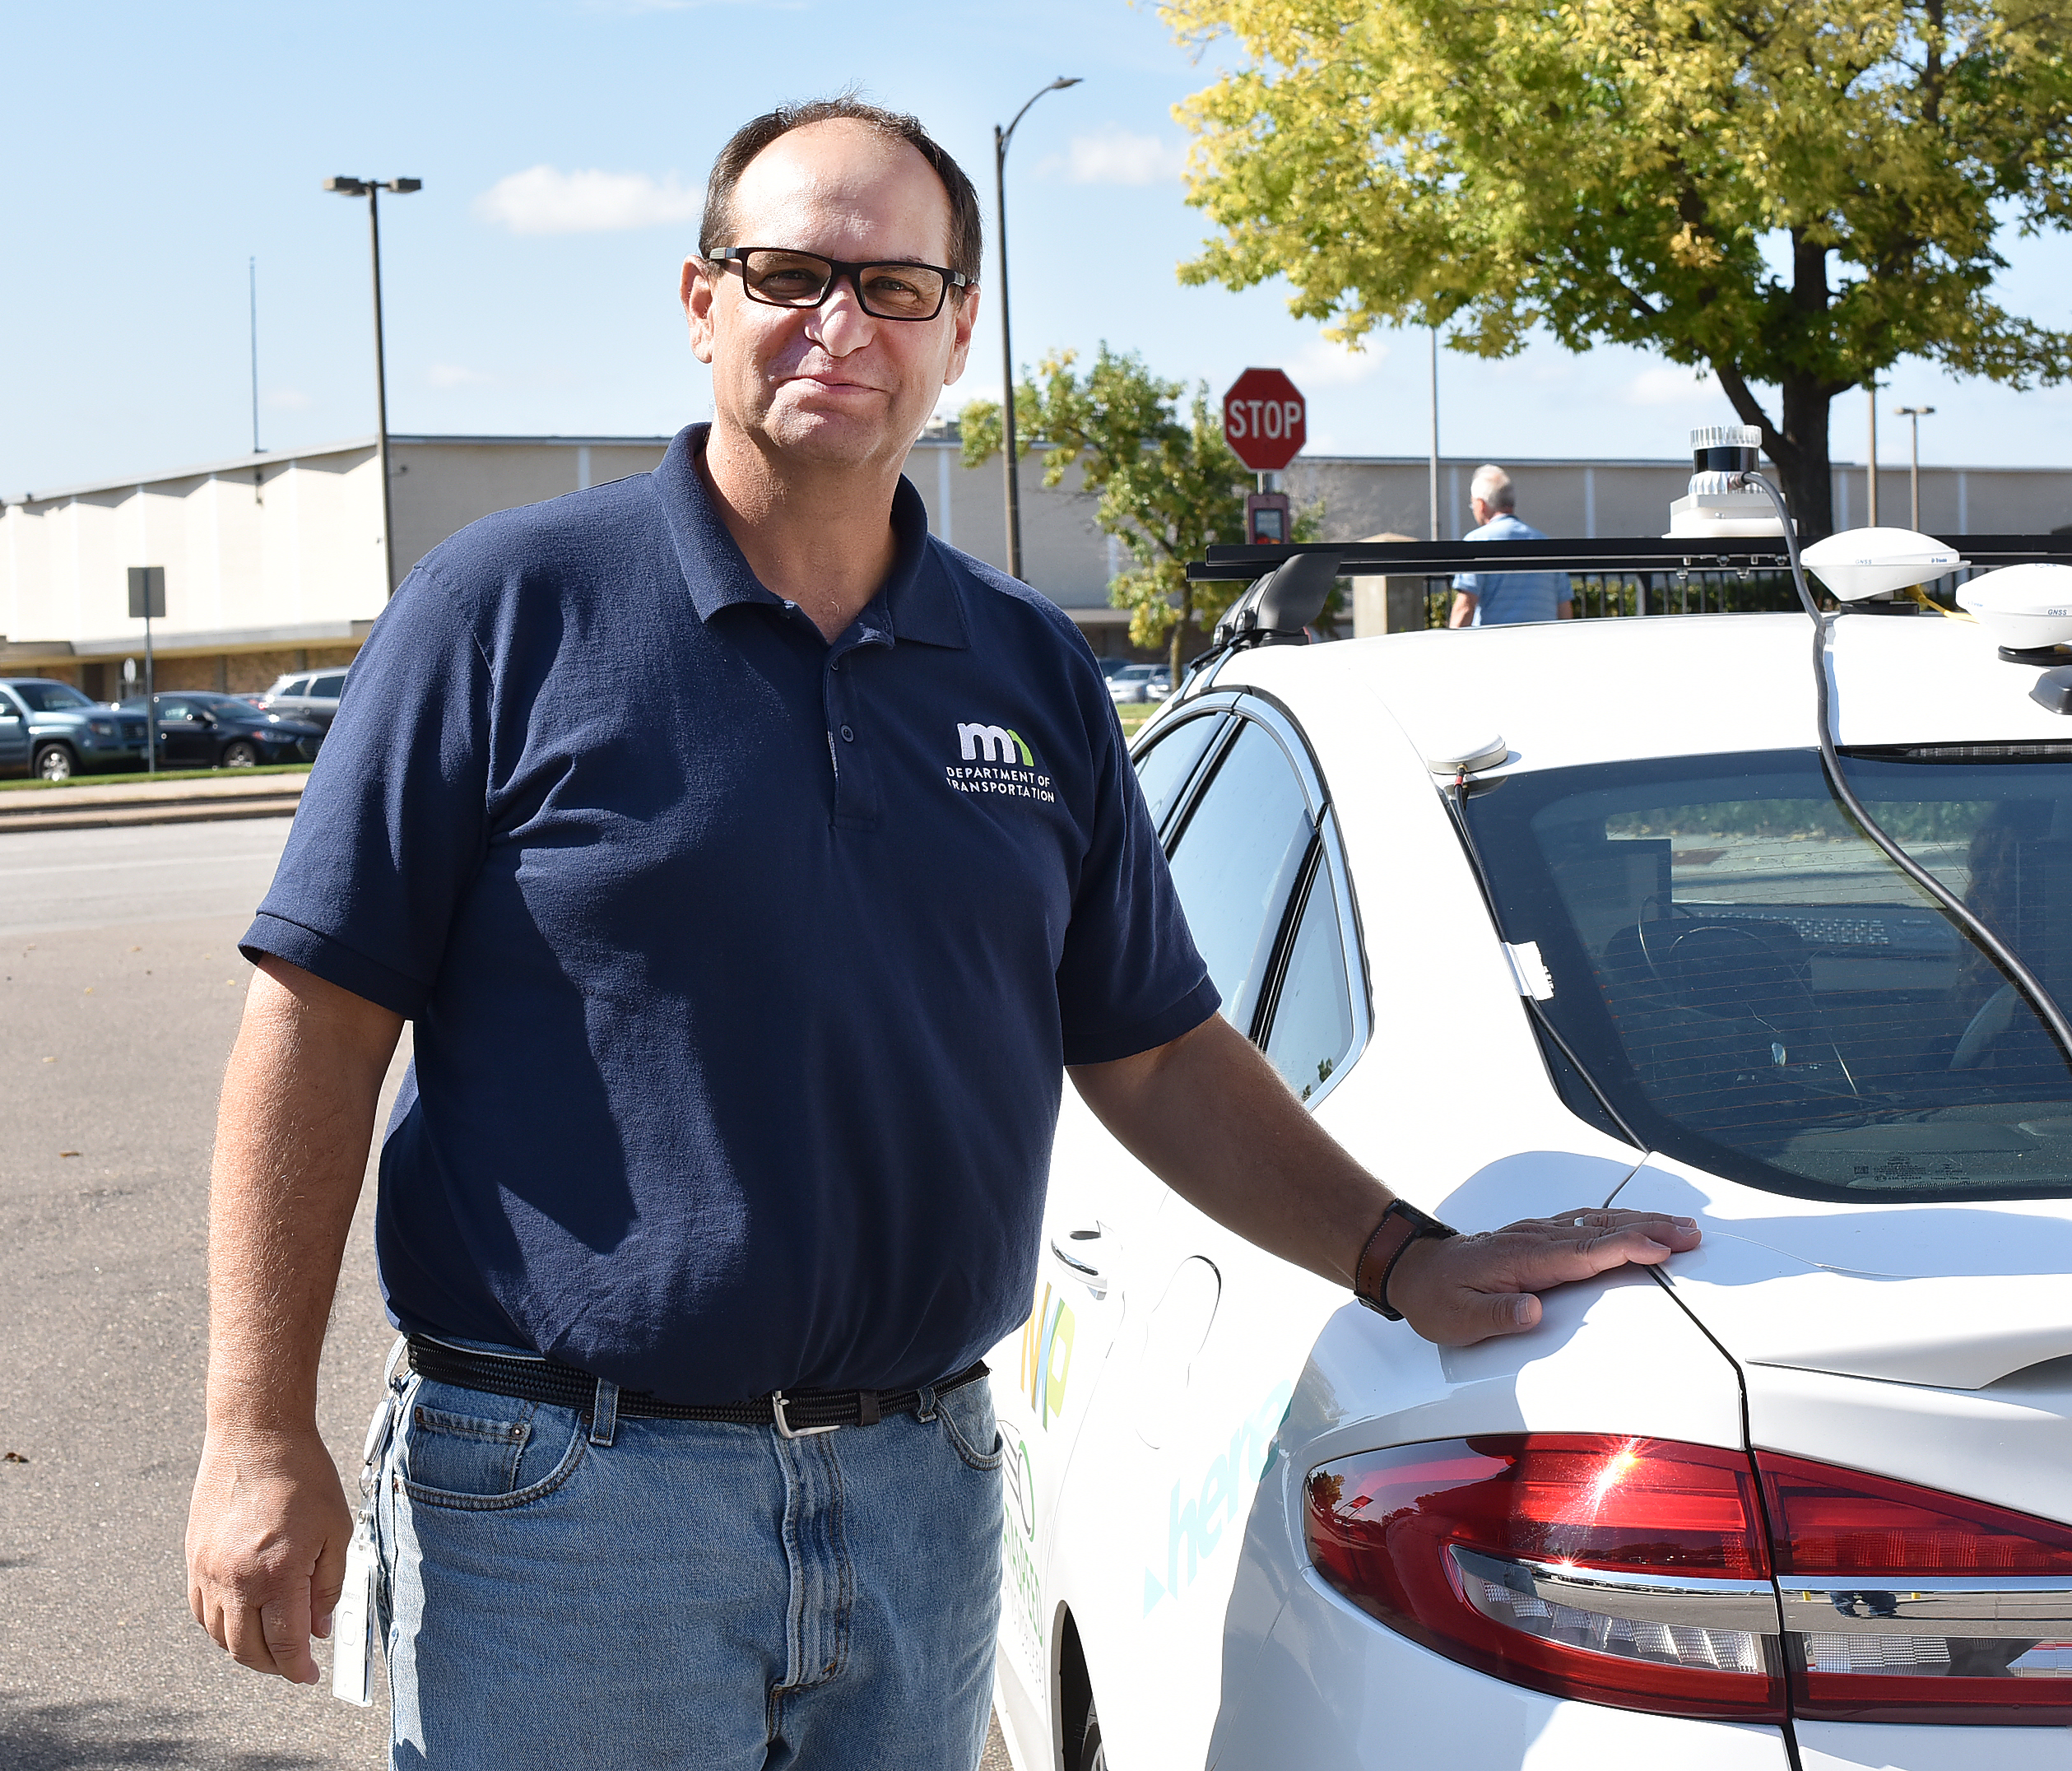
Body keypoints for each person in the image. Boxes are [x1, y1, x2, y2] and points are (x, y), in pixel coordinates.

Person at [182, 97, 1699, 1771]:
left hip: (923, 1489)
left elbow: (1156, 1045)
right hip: (569, 1502)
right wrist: (255, 1428)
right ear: (702, 301)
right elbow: (318, 1020)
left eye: (895, 286)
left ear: (958, 330)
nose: (840, 324)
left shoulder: (1028, 667)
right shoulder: (506, 612)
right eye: (788, 274)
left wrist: (1403, 1254)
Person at [1448, 464, 1573, 626]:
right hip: (1543, 645)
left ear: (1481, 504)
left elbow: (1465, 608)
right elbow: (1564, 610)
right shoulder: (1547, 545)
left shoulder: (1478, 542)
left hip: (1497, 645)